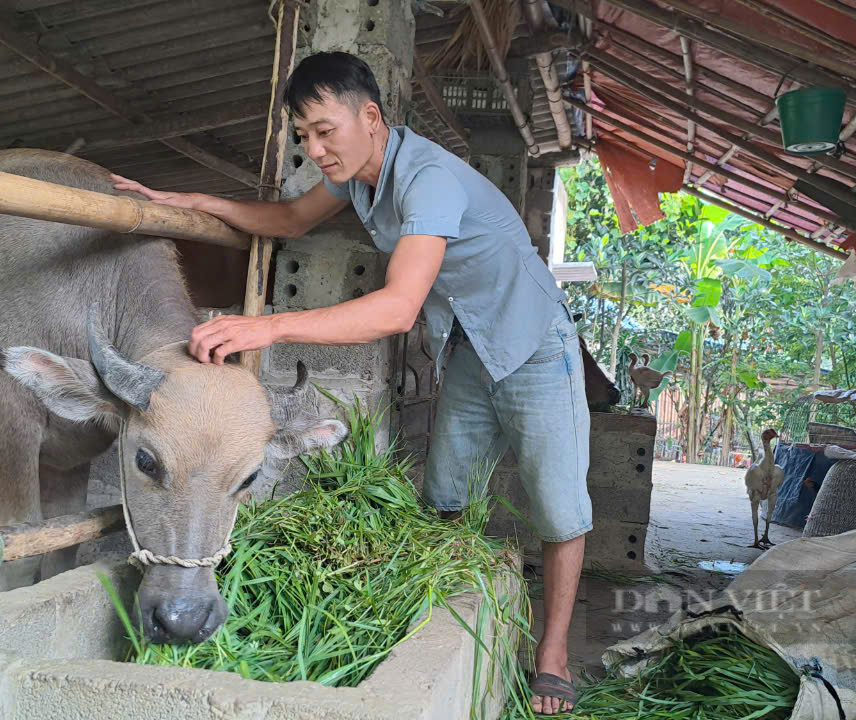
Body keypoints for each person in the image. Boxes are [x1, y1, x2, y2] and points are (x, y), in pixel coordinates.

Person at [112, 51, 590, 714]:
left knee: (558, 505)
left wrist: (267, 328)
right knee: (445, 498)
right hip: (473, 346)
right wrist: (188, 201)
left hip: (536, 343)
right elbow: (287, 220)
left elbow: (396, 310)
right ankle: (444, 615)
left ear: (371, 116)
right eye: (303, 135)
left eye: (324, 129)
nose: (314, 148)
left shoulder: (426, 180)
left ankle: (555, 658)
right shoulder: (359, 176)